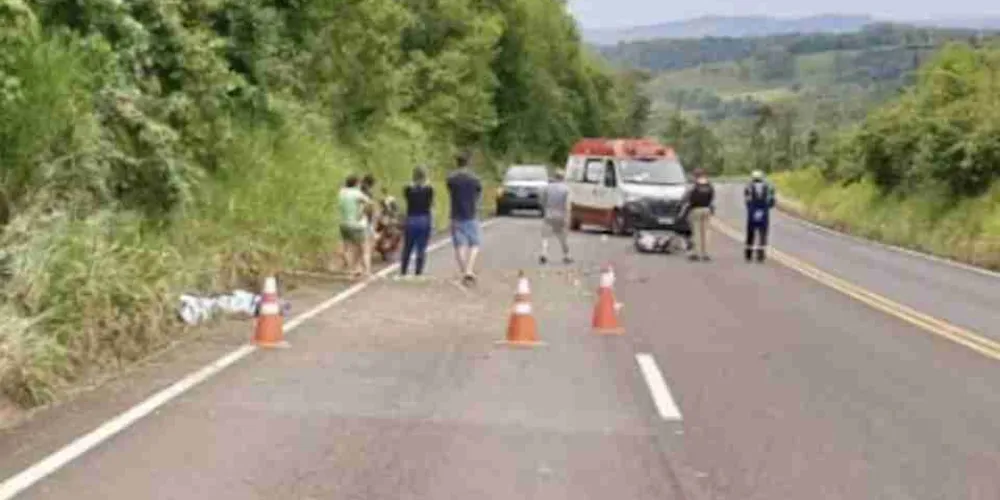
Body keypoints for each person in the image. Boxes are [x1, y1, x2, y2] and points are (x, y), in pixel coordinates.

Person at [446, 151, 483, 285]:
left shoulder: (451, 179)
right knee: (474, 244)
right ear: (468, 163)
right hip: (470, 214)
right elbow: (478, 194)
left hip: (456, 214)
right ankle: (469, 269)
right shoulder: (474, 179)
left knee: (459, 245)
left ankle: (464, 271)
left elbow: (450, 191)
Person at [399, 166, 434, 277]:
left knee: (407, 246)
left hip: (411, 218)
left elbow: (407, 192)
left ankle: (403, 271)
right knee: (421, 247)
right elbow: (431, 203)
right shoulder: (429, 190)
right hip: (424, 218)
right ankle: (418, 272)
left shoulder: (408, 189)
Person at [337, 174, 372, 278]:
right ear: (356, 183)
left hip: (343, 224)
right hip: (357, 225)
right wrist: (361, 213)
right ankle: (367, 272)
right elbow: (370, 203)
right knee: (364, 249)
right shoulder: (357, 193)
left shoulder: (341, 192)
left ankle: (352, 270)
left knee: (349, 248)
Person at [538, 169, 573, 265]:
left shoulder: (547, 188)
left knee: (545, 236)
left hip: (549, 214)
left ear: (554, 177)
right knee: (563, 237)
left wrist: (545, 208)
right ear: (563, 178)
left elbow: (542, 200)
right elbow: (567, 205)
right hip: (561, 215)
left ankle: (544, 253)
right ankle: (566, 256)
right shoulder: (566, 189)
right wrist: (568, 218)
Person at [681, 168, 716, 262]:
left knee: (696, 232)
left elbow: (686, 197)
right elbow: (712, 197)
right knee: (705, 232)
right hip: (706, 209)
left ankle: (695, 253)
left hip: (696, 209)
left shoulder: (694, 186)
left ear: (695, 176)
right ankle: (705, 253)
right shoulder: (709, 185)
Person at [744, 169, 776, 262]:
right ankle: (760, 255)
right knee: (763, 233)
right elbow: (772, 201)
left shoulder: (748, 187)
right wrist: (767, 207)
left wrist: (750, 208)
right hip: (764, 211)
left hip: (752, 211)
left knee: (750, 233)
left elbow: (747, 200)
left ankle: (748, 254)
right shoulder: (769, 187)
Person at [360, 174, 377, 274]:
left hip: (356, 220)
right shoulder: (368, 193)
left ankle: (360, 268)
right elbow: (369, 209)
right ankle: (367, 270)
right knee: (367, 246)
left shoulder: (358, 190)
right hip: (365, 221)